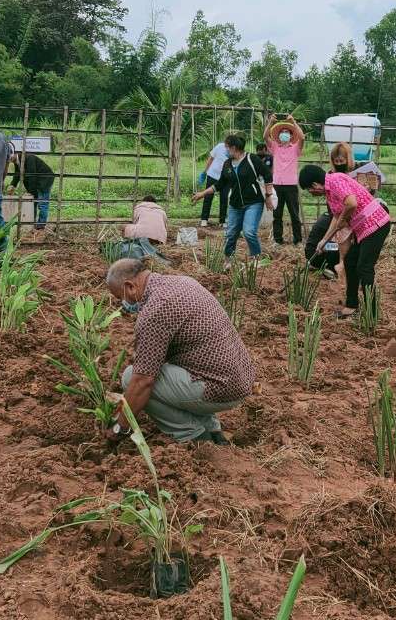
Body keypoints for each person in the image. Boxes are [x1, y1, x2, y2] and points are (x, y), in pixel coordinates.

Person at [106, 258, 254, 445]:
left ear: (130, 287)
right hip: (240, 378)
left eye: (120, 297)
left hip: (220, 389)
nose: (123, 304)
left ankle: (195, 436)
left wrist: (120, 426)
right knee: (171, 367)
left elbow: (143, 381)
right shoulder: (183, 282)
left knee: (131, 378)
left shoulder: (155, 310)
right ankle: (212, 430)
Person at [300, 164, 391, 318]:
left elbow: (351, 203)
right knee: (350, 261)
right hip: (363, 230)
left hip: (376, 223)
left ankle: (372, 312)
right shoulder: (329, 193)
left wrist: (343, 218)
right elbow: (336, 218)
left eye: (309, 189)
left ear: (315, 185)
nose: (311, 193)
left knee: (364, 267)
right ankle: (351, 305)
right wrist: (324, 241)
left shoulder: (335, 180)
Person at [190, 134, 273, 263]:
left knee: (249, 232)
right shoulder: (227, 164)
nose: (225, 150)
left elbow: (267, 175)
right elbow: (219, 184)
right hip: (235, 205)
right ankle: (228, 260)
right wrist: (202, 194)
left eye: (227, 147)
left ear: (234, 148)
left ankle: (256, 259)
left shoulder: (252, 159)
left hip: (253, 202)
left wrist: (268, 196)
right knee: (230, 234)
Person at [265, 114, 305, 246]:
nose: (284, 134)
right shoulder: (275, 147)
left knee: (294, 214)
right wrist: (270, 122)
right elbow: (265, 137)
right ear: (279, 135)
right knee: (277, 214)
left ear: (291, 135)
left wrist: (293, 122)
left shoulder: (295, 148)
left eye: (287, 132)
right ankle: (278, 240)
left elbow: (302, 137)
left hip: (291, 185)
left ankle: (298, 240)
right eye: (282, 132)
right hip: (277, 184)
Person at [7, 147, 56, 230]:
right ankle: (31, 223)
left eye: (9, 155)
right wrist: (12, 185)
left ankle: (41, 225)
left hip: (45, 180)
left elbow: (32, 175)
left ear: (15, 153)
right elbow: (17, 174)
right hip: (36, 182)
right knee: (33, 203)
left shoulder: (29, 158)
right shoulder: (17, 161)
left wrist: (31, 192)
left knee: (42, 204)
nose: (9, 158)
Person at [197, 138, 231, 228]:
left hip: (226, 178)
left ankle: (222, 220)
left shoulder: (233, 151)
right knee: (208, 197)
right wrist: (205, 172)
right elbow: (211, 159)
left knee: (224, 199)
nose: (226, 146)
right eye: (226, 144)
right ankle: (204, 219)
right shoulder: (219, 146)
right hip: (213, 175)